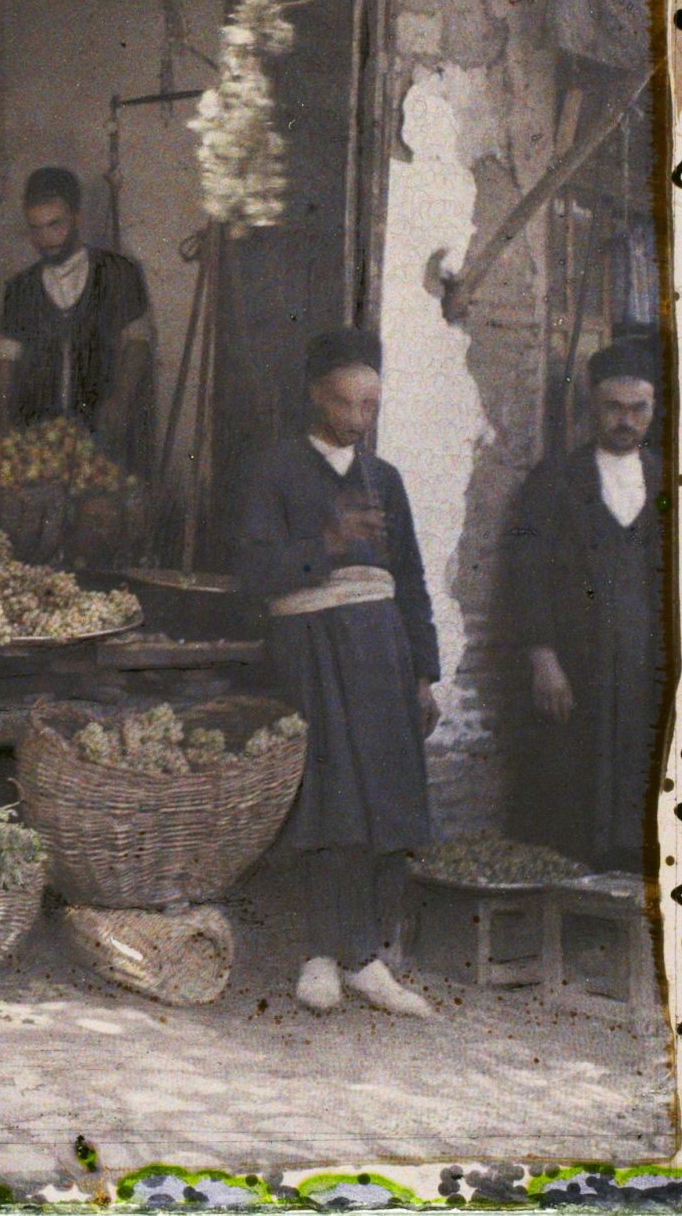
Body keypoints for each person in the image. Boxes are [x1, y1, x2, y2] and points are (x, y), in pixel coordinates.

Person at [233, 326, 442, 1018]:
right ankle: (320, 955)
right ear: (315, 396)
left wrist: (424, 672)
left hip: (383, 651)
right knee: (329, 800)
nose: (358, 418)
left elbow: (411, 578)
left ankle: (367, 958)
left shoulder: (386, 480)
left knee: (385, 797)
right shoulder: (274, 470)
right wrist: (327, 541)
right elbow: (255, 572)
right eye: (346, 402)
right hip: (310, 648)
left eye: (370, 405)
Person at [507, 337, 664, 873]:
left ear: (653, 408)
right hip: (577, 663)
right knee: (573, 783)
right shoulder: (555, 480)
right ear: (592, 406)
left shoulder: (671, 479)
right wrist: (543, 658)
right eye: (613, 408)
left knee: (643, 772)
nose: (626, 421)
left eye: (638, 409)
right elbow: (526, 573)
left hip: (646, 667)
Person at [0, 166, 155, 473]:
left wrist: (121, 399)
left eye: (55, 225)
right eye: (36, 228)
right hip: (39, 442)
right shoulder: (20, 288)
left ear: (77, 218)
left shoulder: (119, 272)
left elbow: (138, 342)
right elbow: (6, 362)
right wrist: (3, 425)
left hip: (103, 437)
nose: (45, 239)